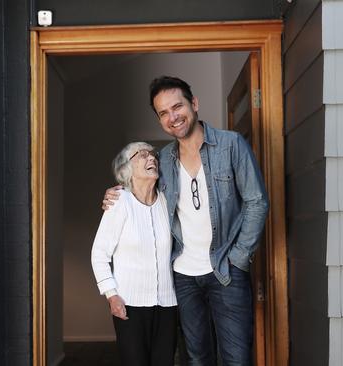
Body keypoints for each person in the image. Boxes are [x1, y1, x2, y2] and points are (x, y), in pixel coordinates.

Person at [103, 76, 269, 366]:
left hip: (226, 270)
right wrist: (115, 193)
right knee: (196, 358)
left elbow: (257, 201)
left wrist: (239, 257)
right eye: (163, 113)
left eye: (177, 106)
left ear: (194, 104)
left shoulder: (231, 145)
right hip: (182, 276)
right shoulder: (163, 159)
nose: (172, 117)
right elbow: (141, 190)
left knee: (237, 358)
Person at [91, 142, 178, 366]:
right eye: (142, 155)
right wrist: (111, 295)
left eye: (153, 155)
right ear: (126, 169)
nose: (151, 158)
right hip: (129, 304)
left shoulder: (167, 203)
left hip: (168, 304)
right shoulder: (119, 202)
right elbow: (99, 253)